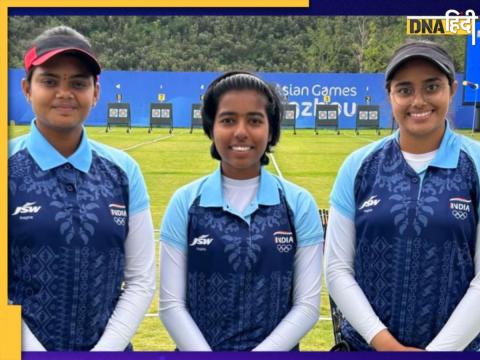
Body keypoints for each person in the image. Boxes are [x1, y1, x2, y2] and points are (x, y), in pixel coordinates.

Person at [325, 40, 480, 351]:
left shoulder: (475, 163)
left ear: (450, 90)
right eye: (405, 89)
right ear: (390, 95)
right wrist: (387, 346)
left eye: (431, 87)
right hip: (368, 348)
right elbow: (337, 269)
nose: (418, 101)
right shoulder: (358, 166)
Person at [8, 26, 155, 351]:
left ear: (96, 92)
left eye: (78, 83)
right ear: (26, 89)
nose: (65, 92)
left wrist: (104, 352)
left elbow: (141, 281)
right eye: (49, 81)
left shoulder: (124, 171)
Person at [159, 71, 323, 351]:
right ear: (211, 128)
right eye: (228, 120)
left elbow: (307, 307)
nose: (241, 132)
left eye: (255, 120)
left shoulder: (299, 204)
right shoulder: (184, 202)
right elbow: (171, 306)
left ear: (271, 130)